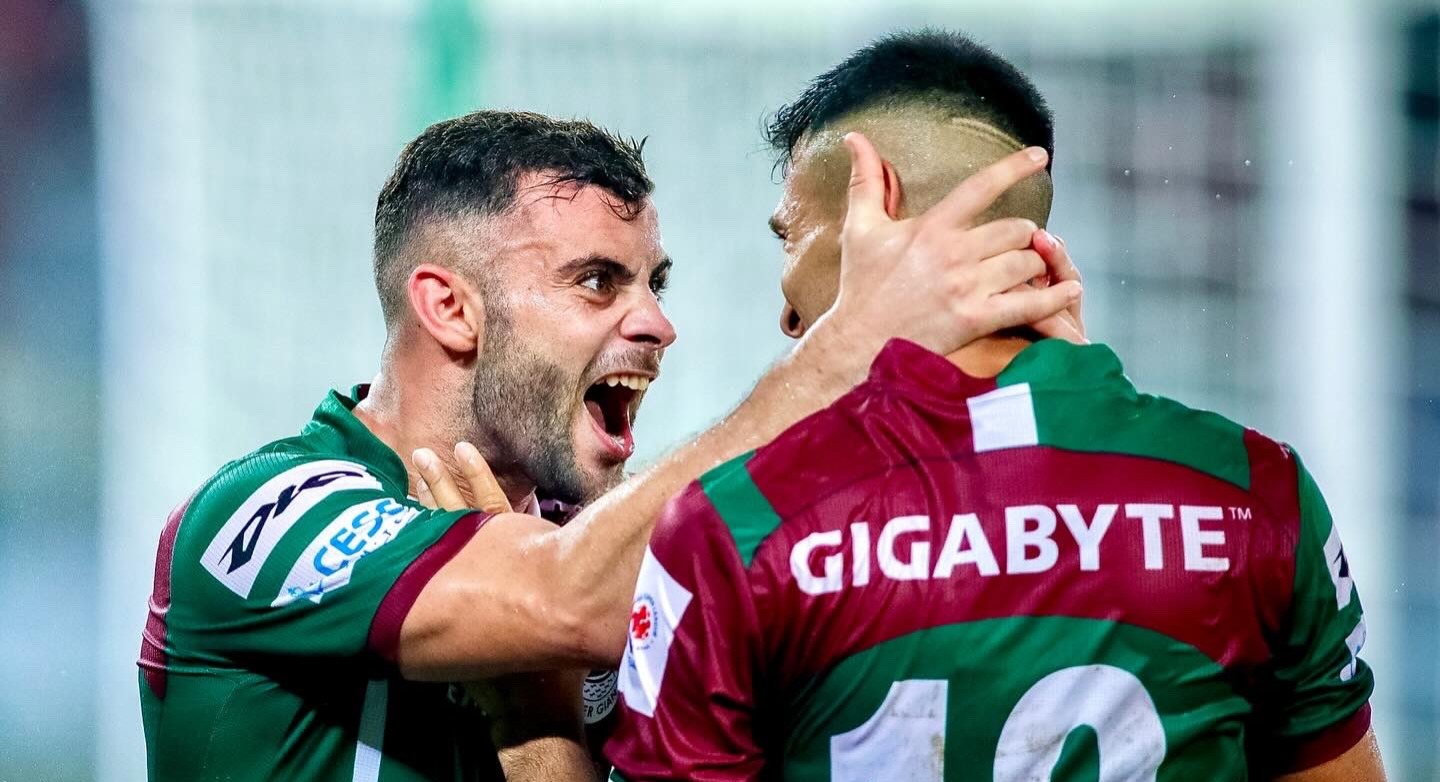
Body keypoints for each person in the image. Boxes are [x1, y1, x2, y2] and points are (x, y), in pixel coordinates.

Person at [137, 107, 1082, 780]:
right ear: (451, 308)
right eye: (597, 281)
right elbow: (565, 597)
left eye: (652, 282)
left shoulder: (599, 541)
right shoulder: (268, 513)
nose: (658, 324)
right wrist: (849, 350)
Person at [602, 30, 1385, 781]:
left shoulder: (734, 529)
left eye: (791, 239)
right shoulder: (1255, 494)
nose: (787, 315)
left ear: (876, 207)